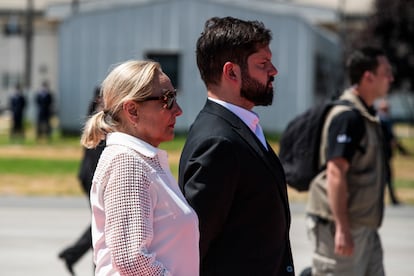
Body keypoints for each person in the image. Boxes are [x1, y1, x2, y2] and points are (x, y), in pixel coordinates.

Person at [178, 16, 295, 275]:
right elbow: (194, 244)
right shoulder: (218, 142)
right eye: (263, 64)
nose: (273, 70)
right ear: (231, 72)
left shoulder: (239, 128)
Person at [81, 60, 199, 275]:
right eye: (168, 100)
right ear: (132, 110)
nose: (178, 110)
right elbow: (131, 260)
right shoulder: (128, 163)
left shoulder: (140, 159)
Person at [306, 46, 394, 275]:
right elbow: (335, 173)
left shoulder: (367, 114)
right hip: (340, 227)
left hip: (365, 228)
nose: (391, 78)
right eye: (386, 72)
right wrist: (342, 228)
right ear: (368, 76)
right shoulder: (348, 117)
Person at [58, 86, 105, 275]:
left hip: (89, 176)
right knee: (102, 224)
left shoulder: (95, 117)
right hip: (93, 178)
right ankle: (75, 256)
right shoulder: (99, 121)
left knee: (100, 223)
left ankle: (73, 255)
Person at [377, 98, 409, 205]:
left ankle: (389, 198)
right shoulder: (385, 120)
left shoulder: (377, 119)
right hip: (384, 152)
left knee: (383, 176)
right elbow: (392, 138)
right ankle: (392, 199)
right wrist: (402, 150)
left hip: (379, 153)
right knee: (386, 176)